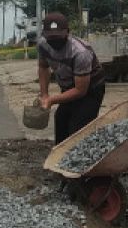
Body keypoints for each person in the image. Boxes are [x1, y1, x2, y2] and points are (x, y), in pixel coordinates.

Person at [37, 12, 106, 144]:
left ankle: (81, 160)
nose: (54, 41)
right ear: (44, 34)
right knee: (61, 119)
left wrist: (51, 100)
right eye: (50, 37)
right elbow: (43, 67)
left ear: (68, 32)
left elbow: (80, 90)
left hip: (91, 89)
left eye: (58, 37)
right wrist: (44, 95)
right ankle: (60, 159)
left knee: (78, 128)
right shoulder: (42, 45)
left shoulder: (80, 52)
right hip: (68, 86)